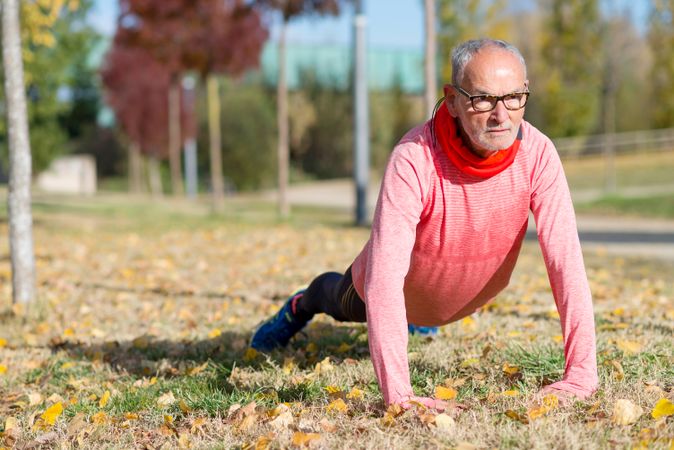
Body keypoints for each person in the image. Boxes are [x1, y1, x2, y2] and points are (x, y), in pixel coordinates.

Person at [251, 38, 598, 410]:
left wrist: (581, 373)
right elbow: (384, 278)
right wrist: (401, 397)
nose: (502, 115)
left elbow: (566, 262)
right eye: (482, 99)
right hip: (391, 292)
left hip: (463, 295)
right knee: (334, 297)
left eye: (514, 97)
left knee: (416, 313)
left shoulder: (539, 154)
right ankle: (300, 305)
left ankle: (414, 323)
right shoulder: (414, 157)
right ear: (451, 100)